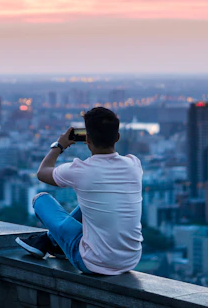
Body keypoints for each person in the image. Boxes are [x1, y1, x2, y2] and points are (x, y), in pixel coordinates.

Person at [16, 107, 143, 275]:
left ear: (87, 139)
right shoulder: (134, 164)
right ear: (117, 137)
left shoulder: (80, 170)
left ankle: (47, 242)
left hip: (92, 262)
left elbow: (42, 172)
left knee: (41, 199)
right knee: (90, 206)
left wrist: (59, 145)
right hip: (130, 260)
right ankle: (49, 242)